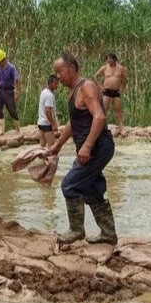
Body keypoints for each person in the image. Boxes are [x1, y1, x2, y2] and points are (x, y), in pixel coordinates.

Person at [49, 52, 117, 246]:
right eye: (56, 73)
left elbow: (99, 117)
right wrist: (57, 145)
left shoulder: (86, 87)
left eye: (60, 71)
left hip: (98, 146)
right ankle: (108, 233)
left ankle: (76, 230)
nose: (58, 76)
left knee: (69, 185)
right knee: (92, 189)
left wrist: (86, 146)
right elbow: (74, 122)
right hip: (94, 147)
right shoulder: (73, 92)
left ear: (72, 68)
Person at [0, 49, 21, 135]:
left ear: (4, 59)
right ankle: (1, 130)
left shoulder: (11, 68)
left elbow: (18, 80)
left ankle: (17, 127)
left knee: (12, 109)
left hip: (8, 91)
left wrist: (17, 92)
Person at [94, 53, 128, 128]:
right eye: (107, 59)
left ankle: (120, 124)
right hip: (106, 90)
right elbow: (95, 76)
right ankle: (101, 124)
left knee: (117, 108)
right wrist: (100, 86)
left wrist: (122, 88)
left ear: (114, 59)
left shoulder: (120, 68)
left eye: (110, 59)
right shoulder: (104, 68)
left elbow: (125, 79)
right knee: (104, 108)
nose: (108, 61)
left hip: (116, 91)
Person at [37, 74, 60, 147]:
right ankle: (49, 158)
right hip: (46, 123)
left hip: (41, 122)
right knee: (52, 145)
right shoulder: (49, 95)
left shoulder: (44, 91)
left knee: (42, 145)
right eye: (55, 83)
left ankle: (42, 158)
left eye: (57, 83)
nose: (57, 85)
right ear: (50, 83)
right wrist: (53, 123)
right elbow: (47, 110)